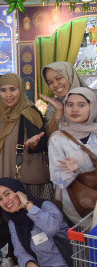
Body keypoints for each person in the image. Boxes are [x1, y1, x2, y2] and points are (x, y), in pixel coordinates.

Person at [0, 73, 50, 199]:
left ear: (21, 90)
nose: (8, 95)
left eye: (13, 89)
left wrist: (34, 145)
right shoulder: (4, 116)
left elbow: (42, 143)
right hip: (8, 179)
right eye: (3, 90)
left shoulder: (29, 112)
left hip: (25, 181)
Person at [48, 87, 97, 224]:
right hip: (78, 206)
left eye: (81, 105)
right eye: (70, 105)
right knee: (84, 243)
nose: (74, 109)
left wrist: (79, 168)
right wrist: (76, 171)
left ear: (92, 107)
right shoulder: (58, 138)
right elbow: (57, 177)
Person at [40, 61, 88, 137]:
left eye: (58, 78)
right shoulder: (54, 105)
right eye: (50, 82)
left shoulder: (92, 99)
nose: (55, 84)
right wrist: (59, 112)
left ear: (70, 75)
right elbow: (49, 136)